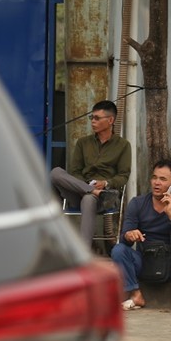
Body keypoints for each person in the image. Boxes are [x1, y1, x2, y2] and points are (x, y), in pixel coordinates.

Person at [111, 159, 171, 314]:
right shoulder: (137, 203)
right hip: (145, 261)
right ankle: (135, 294)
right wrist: (130, 235)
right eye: (154, 177)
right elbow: (124, 237)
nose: (156, 183)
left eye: (163, 179)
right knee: (118, 250)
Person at [51, 100, 131, 245]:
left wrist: (106, 183)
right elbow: (75, 171)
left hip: (105, 196)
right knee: (55, 172)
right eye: (91, 118)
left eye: (97, 118)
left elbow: (123, 176)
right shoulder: (83, 143)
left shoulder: (123, 145)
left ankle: (84, 254)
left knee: (88, 199)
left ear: (111, 120)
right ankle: (91, 191)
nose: (93, 121)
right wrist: (86, 187)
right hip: (80, 189)